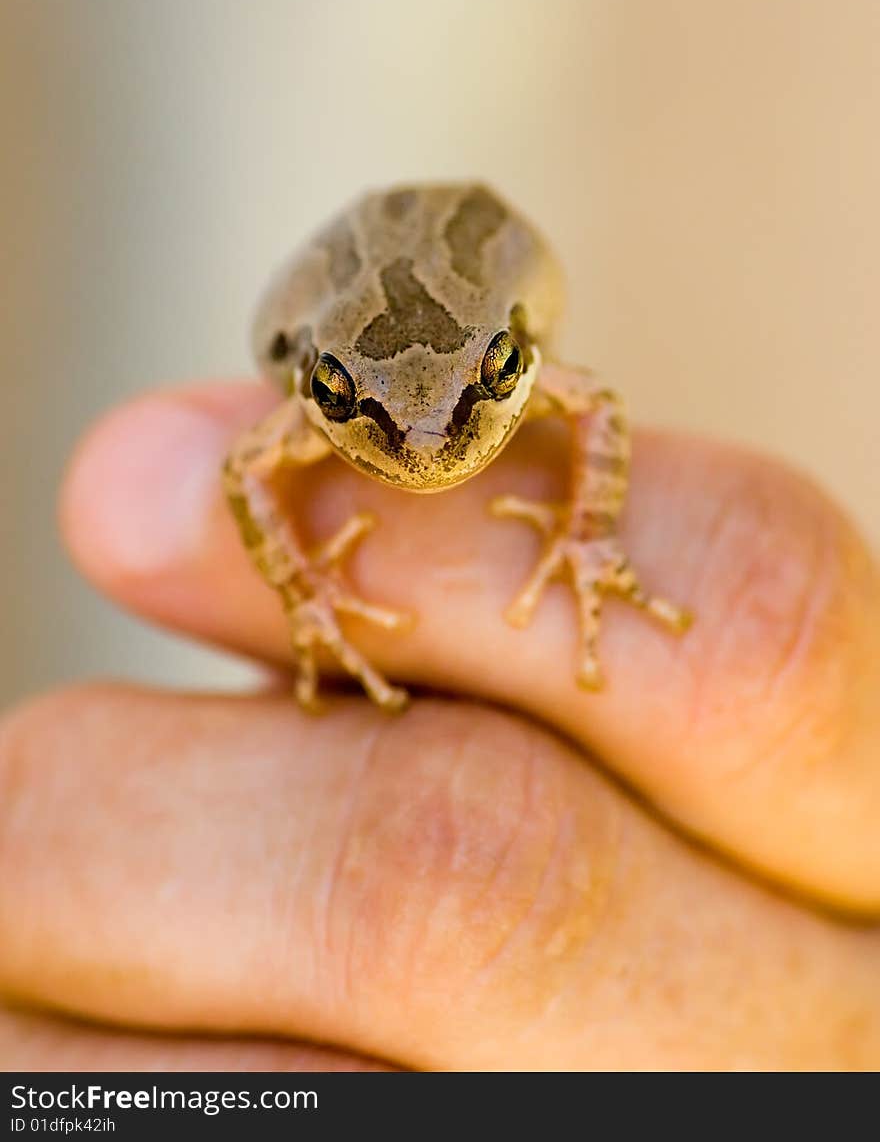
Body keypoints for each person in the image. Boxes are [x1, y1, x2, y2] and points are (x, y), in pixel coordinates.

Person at [1, 377, 878, 1070]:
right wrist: (299, 586)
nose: (425, 448)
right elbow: (241, 467)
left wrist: (589, 530)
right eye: (349, 406)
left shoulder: (514, 378)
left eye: (479, 396)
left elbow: (591, 402)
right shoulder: (315, 413)